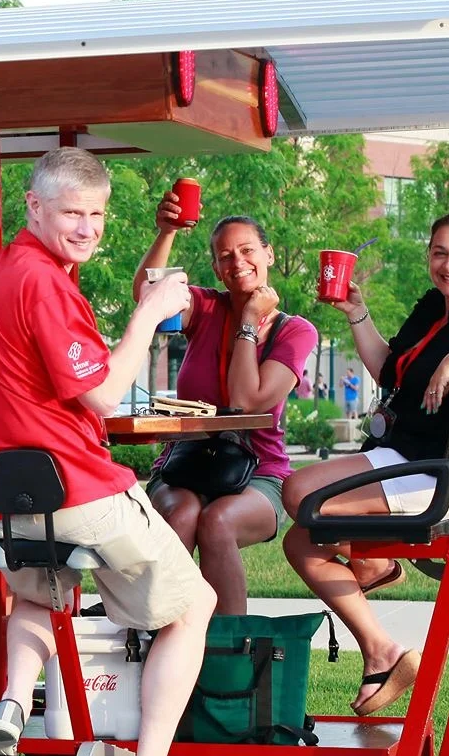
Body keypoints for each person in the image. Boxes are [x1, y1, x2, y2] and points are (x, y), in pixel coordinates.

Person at [0, 149, 216, 756]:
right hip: (78, 488)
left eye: (96, 214)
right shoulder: (42, 281)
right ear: (35, 208)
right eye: (72, 212)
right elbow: (100, 391)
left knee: (44, 591)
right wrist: (149, 314)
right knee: (194, 606)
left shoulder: (0, 271)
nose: (86, 227)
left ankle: (10, 706)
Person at [282, 209, 449, 715]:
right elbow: (388, 370)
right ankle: (382, 647)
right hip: (405, 454)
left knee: (300, 497)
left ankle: (377, 566)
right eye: (439, 252)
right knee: (301, 539)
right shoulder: (435, 307)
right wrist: (358, 313)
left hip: (434, 475)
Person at [134, 202, 318, 614]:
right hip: (184, 464)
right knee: (182, 513)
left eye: (248, 250)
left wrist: (250, 320)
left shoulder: (295, 330)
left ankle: (229, 655)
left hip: (259, 470)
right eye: (225, 256)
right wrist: (166, 233)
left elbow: (245, 400)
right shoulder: (206, 307)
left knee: (217, 522)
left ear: (268, 254)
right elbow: (148, 298)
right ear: (216, 269)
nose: (238, 261)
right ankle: (160, 635)